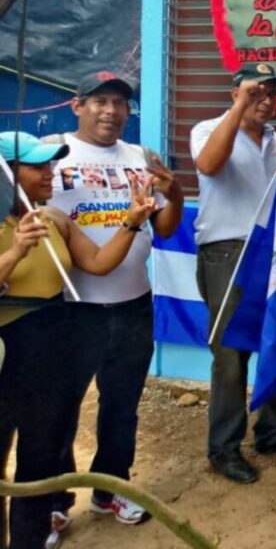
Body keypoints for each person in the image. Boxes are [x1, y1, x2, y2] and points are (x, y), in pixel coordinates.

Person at [42, 72, 184, 542]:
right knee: (61, 407)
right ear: (77, 105)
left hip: (132, 303)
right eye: (100, 102)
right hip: (69, 308)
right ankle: (54, 501)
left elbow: (163, 229)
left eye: (120, 103)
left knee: (122, 405)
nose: (111, 111)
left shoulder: (142, 158)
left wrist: (175, 192)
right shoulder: (51, 152)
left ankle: (111, 488)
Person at [0, 131, 156, 549]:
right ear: (5, 174)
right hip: (4, 356)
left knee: (38, 464)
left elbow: (99, 263)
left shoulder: (53, 218)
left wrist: (131, 221)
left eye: (50, 165)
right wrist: (14, 253)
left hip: (48, 354)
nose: (50, 174)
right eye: (37, 167)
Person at [190, 62, 276, 484]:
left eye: (272, 95)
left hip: (271, 253)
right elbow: (210, 165)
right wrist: (238, 110)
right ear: (235, 95)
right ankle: (224, 448)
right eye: (255, 93)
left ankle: (273, 429)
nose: (266, 101)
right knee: (230, 356)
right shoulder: (207, 129)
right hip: (227, 252)